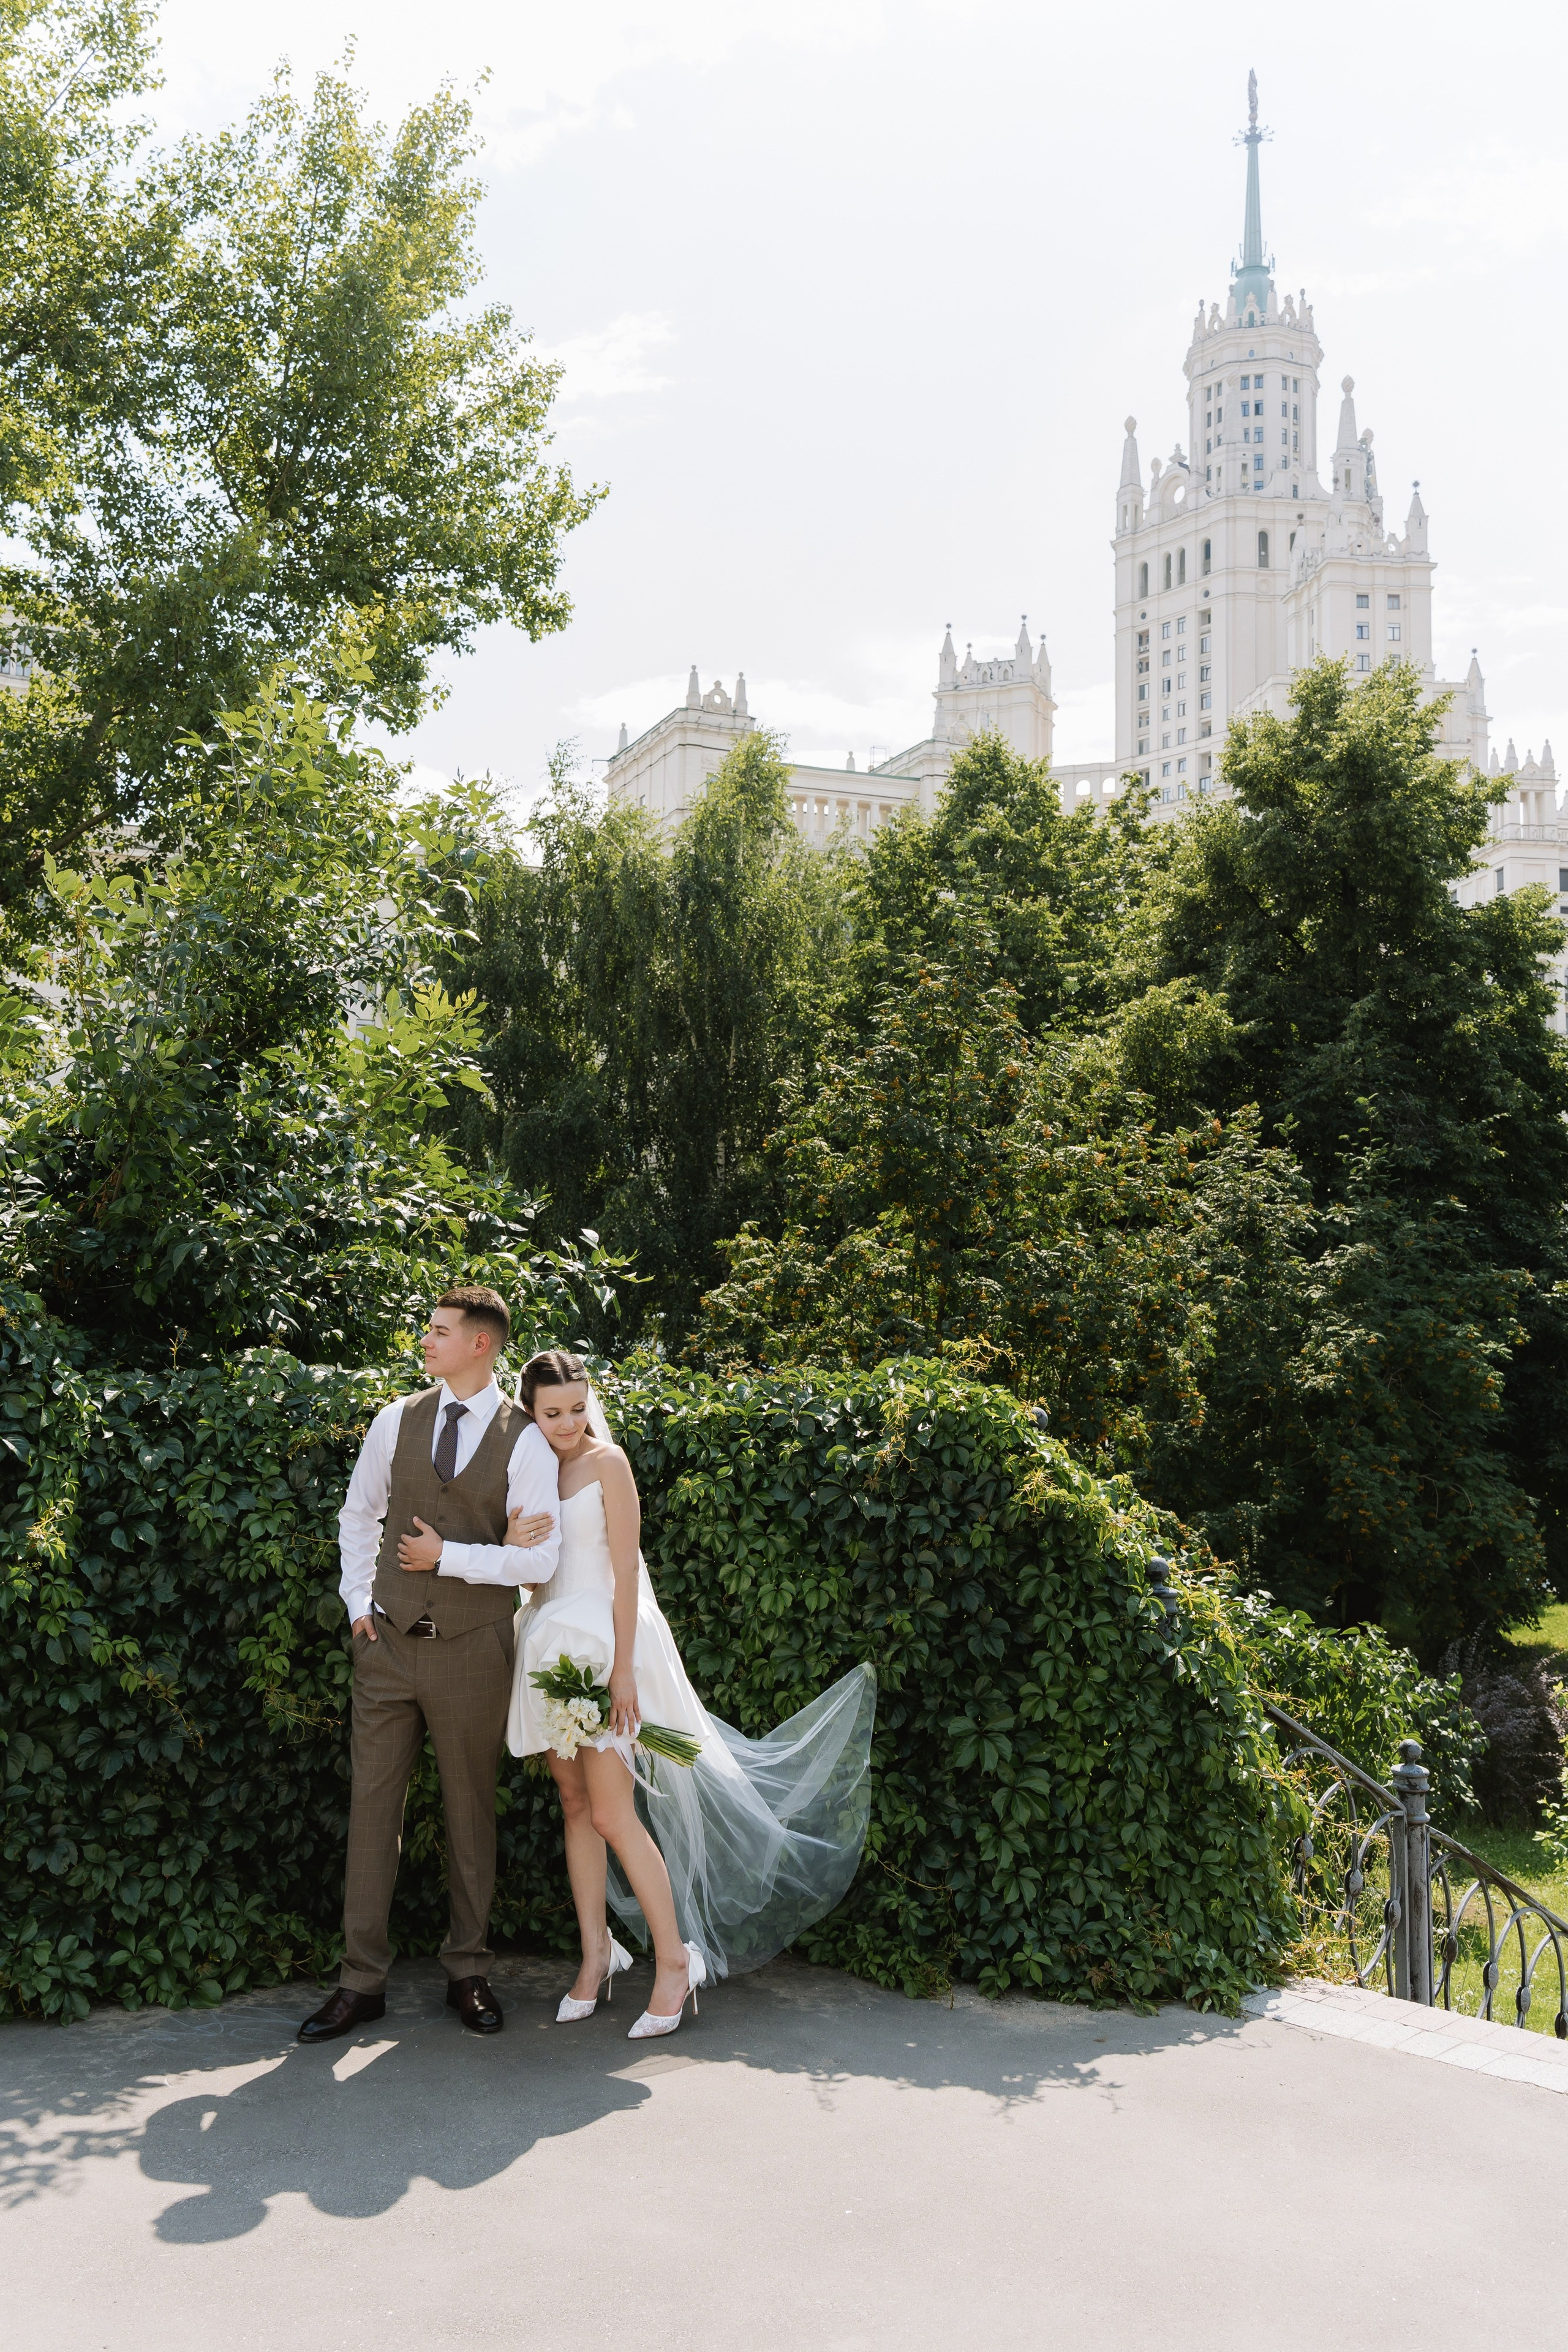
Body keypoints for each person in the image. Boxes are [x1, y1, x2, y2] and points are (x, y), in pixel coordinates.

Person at [505, 1350, 876, 2040]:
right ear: (529, 1407)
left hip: (606, 1644)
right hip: (548, 1645)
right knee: (574, 1802)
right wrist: (508, 1540)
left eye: (579, 1407)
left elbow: (623, 1569)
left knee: (614, 1814)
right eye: (553, 1411)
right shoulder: (527, 1468)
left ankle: (675, 1961)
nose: (568, 1422)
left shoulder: (608, 1465)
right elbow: (531, 1577)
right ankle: (597, 1955)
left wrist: (621, 1672)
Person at [297, 1286, 560, 2045]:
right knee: (372, 1815)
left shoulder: (528, 1439)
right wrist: (356, 1608)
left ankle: (467, 1971)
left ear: (482, 1344)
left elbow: (540, 1557)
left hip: (477, 1648)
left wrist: (453, 1558)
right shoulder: (396, 1419)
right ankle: (360, 1983)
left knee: (471, 1813)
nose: (426, 1340)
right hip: (385, 1647)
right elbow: (358, 1516)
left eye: (440, 1332)